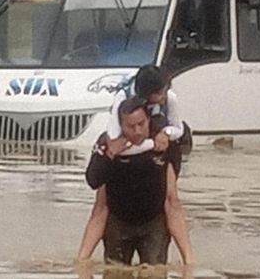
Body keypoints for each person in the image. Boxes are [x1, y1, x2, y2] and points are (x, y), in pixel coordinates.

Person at [82, 96, 193, 265]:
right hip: (118, 221)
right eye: (131, 126)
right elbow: (100, 206)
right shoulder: (107, 144)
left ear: (148, 119)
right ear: (121, 126)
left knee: (154, 272)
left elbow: (172, 202)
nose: (138, 131)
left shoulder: (164, 143)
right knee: (115, 273)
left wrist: (188, 261)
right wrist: (82, 259)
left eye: (141, 123)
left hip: (154, 222)